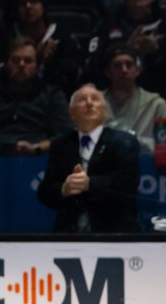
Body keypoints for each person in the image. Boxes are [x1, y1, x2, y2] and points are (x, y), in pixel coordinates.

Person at [37, 83, 140, 232]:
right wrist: (63, 189)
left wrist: (89, 184)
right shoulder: (60, 144)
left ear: (104, 111)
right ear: (71, 112)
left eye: (95, 99)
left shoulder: (124, 142)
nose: (89, 103)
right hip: (68, 236)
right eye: (82, 99)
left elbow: (128, 184)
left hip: (115, 233)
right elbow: (45, 192)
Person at [0, 35, 69, 154]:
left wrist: (37, 147)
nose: (21, 65)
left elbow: (66, 136)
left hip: (38, 156)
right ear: (6, 64)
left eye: (28, 61)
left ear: (37, 66)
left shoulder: (52, 95)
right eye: (15, 60)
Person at [86, 0, 166, 101]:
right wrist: (127, 50)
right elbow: (92, 68)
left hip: (162, 97)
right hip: (115, 100)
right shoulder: (107, 22)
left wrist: (156, 54)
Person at [0, 0, 83, 94]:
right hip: (10, 98)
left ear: (43, 5)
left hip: (56, 98)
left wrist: (48, 64)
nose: (28, 6)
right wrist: (36, 58)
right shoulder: (7, 35)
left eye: (34, 1)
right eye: (22, 3)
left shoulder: (62, 35)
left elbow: (77, 73)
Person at [101, 42, 166, 152]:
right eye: (117, 66)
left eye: (129, 64)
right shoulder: (94, 105)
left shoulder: (156, 105)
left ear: (137, 70)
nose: (124, 70)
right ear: (108, 72)